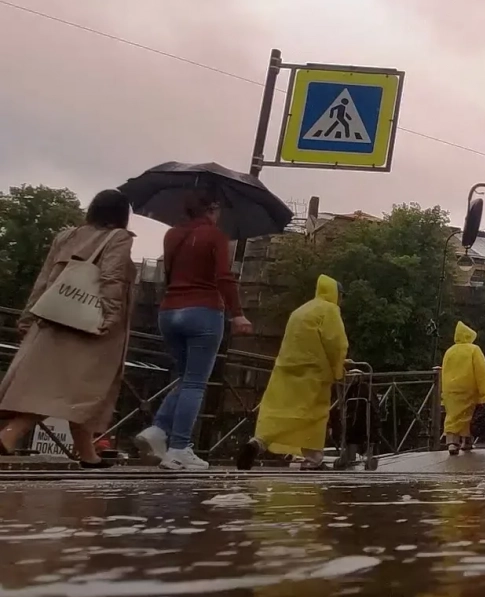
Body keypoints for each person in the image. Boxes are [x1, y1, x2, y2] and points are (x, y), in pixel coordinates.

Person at [0, 189, 136, 468]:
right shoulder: (118, 238)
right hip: (88, 328)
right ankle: (9, 436)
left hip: (53, 320)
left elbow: (45, 278)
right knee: (68, 390)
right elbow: (112, 278)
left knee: (67, 390)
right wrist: (109, 318)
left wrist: (28, 316)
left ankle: (87, 454)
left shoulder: (67, 236)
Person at [135, 190, 252, 471]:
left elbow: (169, 273)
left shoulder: (172, 235)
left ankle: (158, 430)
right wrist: (238, 314)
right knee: (196, 382)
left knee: (185, 377)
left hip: (169, 311)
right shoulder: (215, 236)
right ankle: (179, 447)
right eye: (218, 207)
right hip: (203, 311)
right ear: (212, 207)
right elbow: (224, 277)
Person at [236, 275, 348, 471]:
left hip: (286, 370)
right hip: (313, 373)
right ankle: (313, 461)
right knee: (313, 417)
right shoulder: (329, 310)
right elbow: (335, 343)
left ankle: (258, 443)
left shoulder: (301, 310)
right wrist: (339, 369)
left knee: (281, 413)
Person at [440, 321, 485, 455]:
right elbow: (481, 373)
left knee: (452, 415)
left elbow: (444, 372)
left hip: (451, 388)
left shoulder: (449, 351)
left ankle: (452, 442)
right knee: (469, 415)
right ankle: (466, 442)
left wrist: (443, 392)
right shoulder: (474, 349)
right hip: (469, 387)